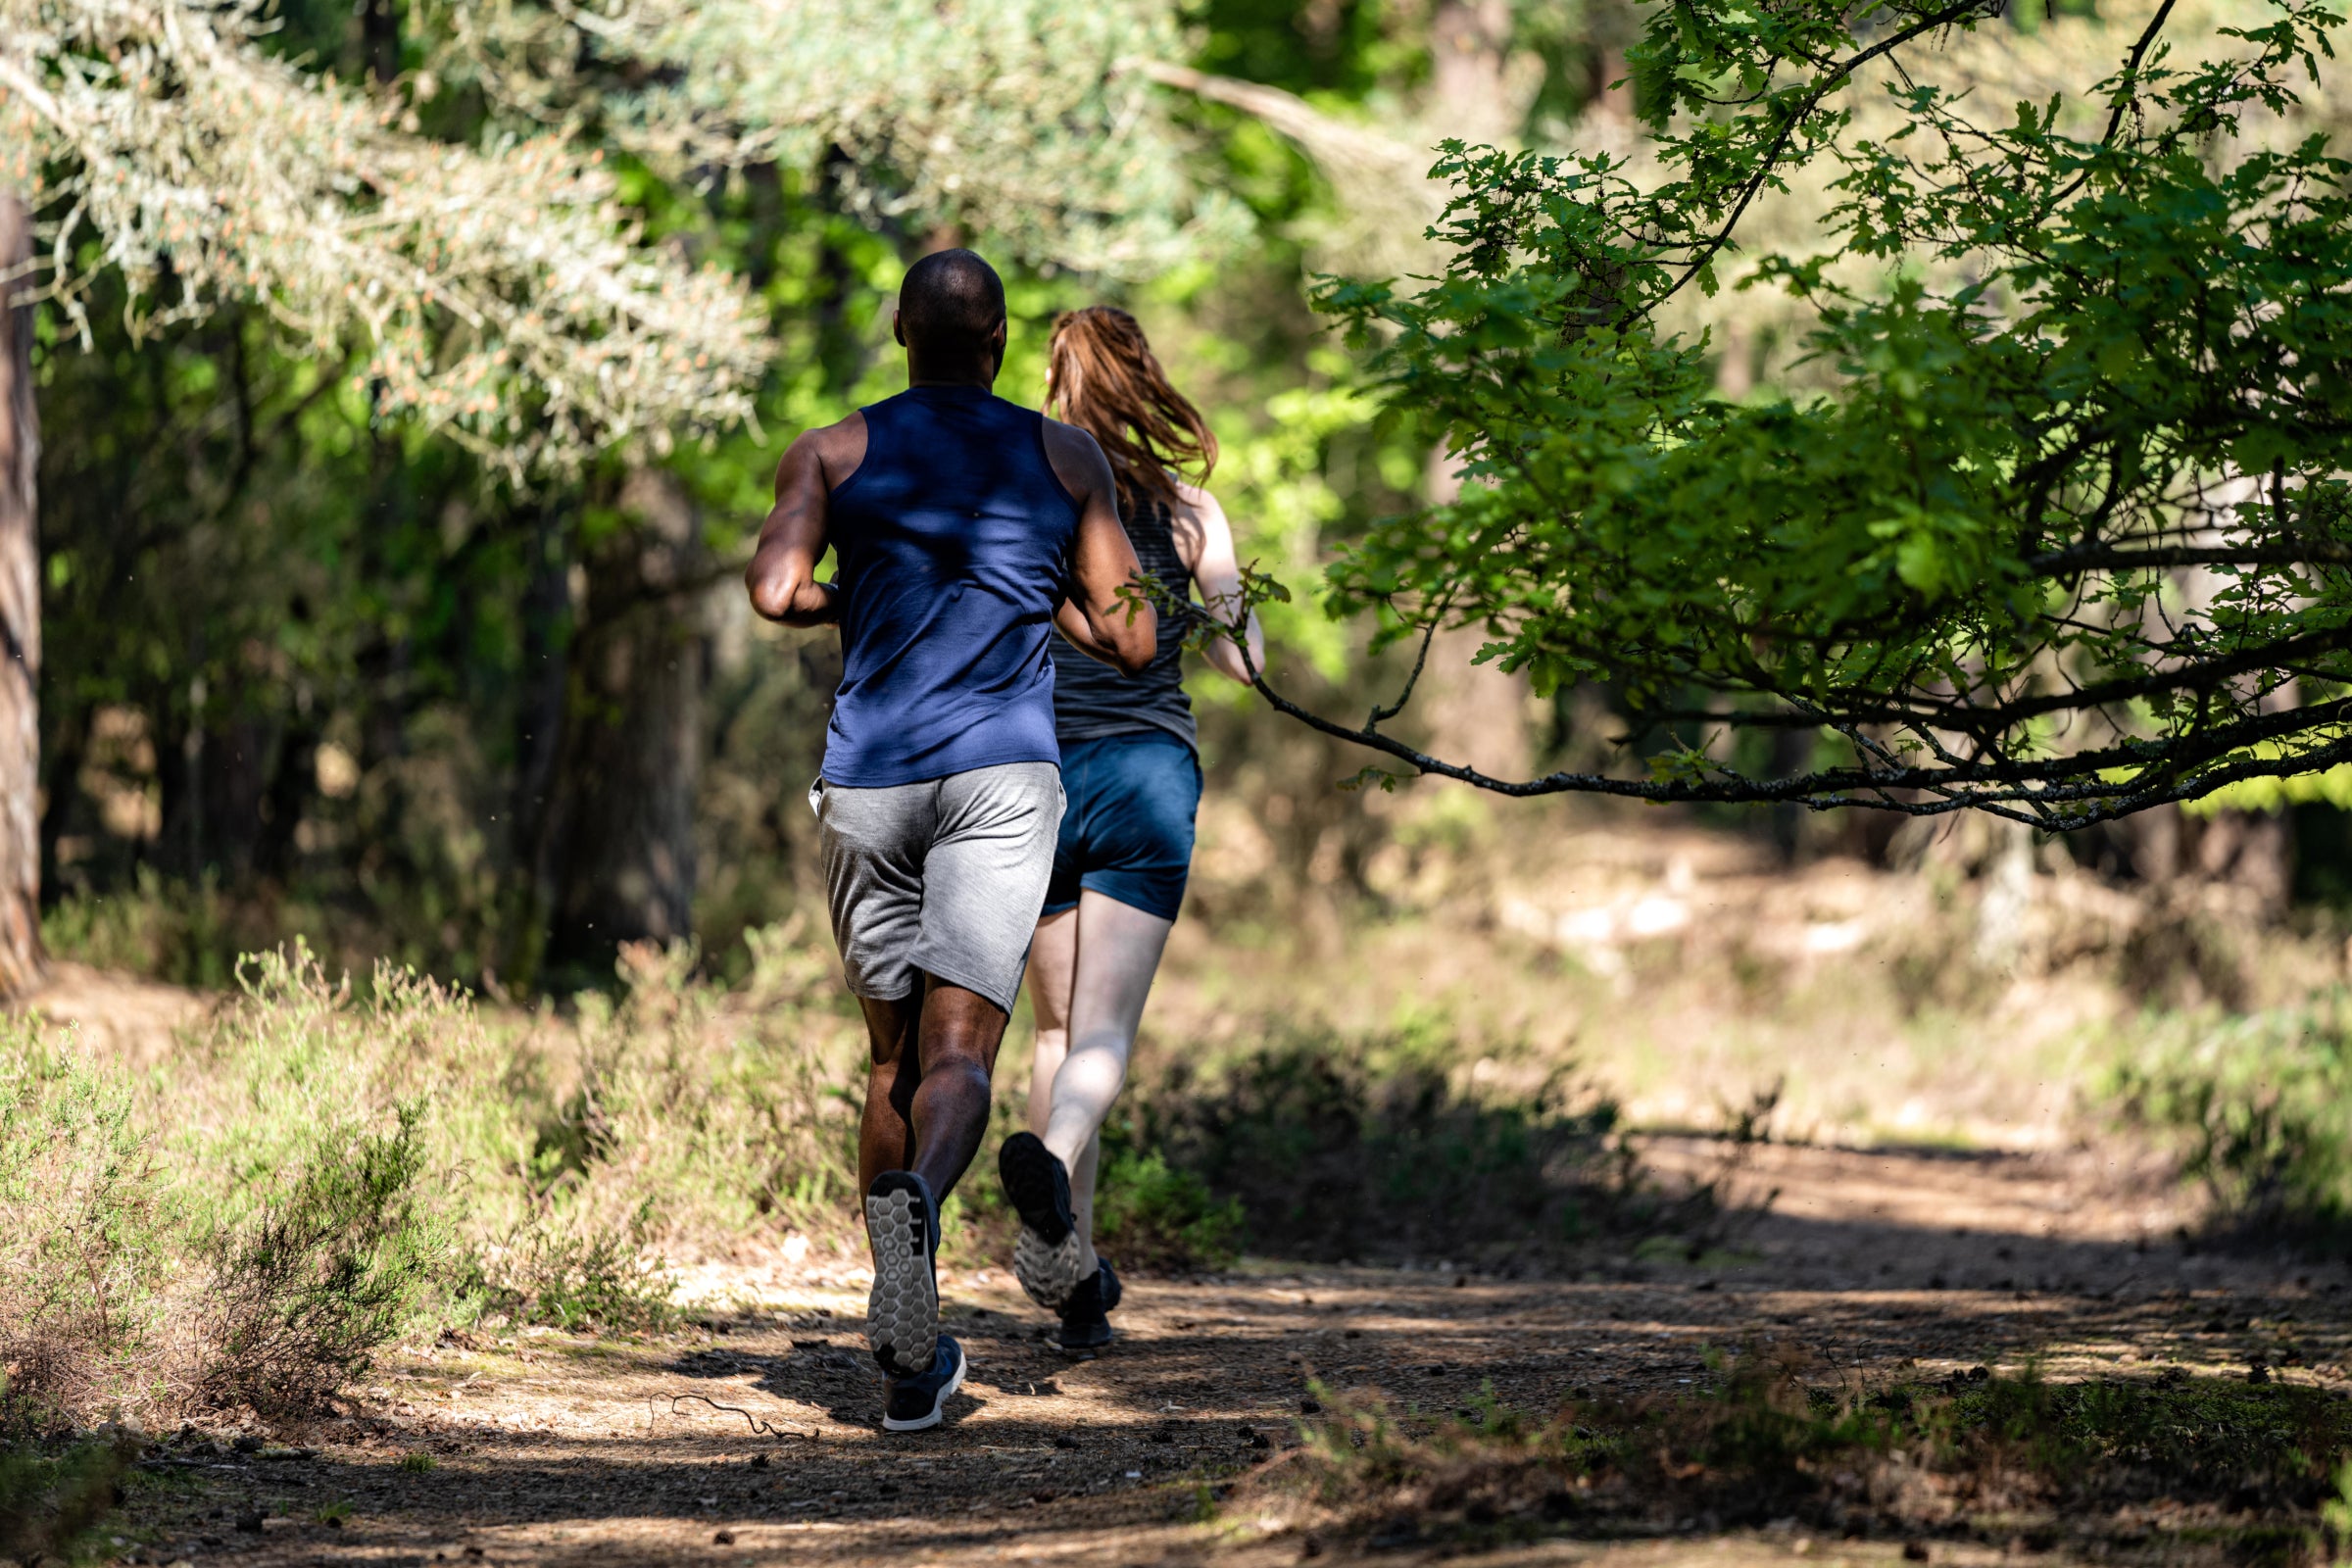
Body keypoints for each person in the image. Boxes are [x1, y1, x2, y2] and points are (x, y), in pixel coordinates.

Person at [744, 253, 1155, 1432]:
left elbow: (778, 591)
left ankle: (907, 1354)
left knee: (890, 1062)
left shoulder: (831, 451)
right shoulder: (1063, 457)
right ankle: (923, 1199)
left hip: (868, 777)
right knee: (963, 1055)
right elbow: (1132, 641)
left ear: (897, 333)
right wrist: (1044, 595)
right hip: (1000, 779)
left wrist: (861, 593)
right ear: (1000, 341)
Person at [994, 306, 1266, 1350]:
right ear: (1146, 379)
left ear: (1057, 385)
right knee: (1104, 1038)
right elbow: (1244, 664)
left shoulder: (1033, 493)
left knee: (1054, 1034)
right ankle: (1053, 1172)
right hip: (1147, 777)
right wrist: (1230, 614)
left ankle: (1073, 1287)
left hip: (1036, 780)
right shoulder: (1193, 512)